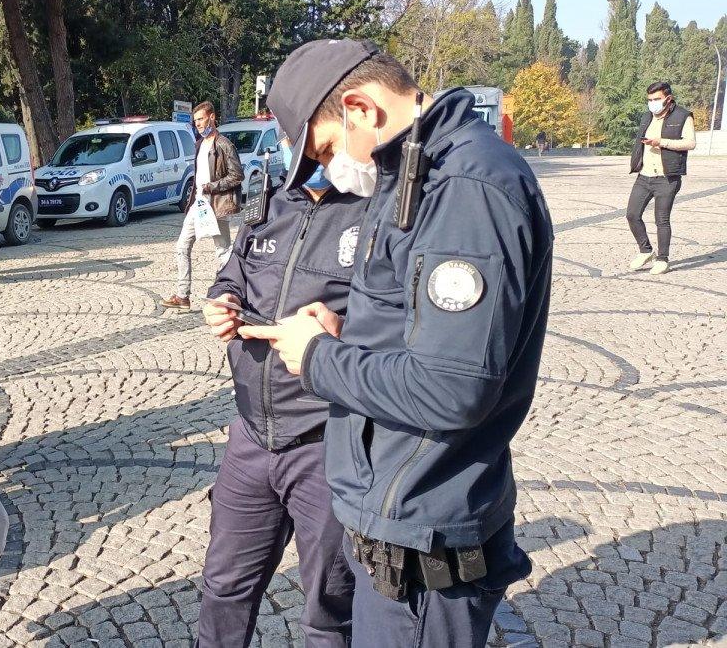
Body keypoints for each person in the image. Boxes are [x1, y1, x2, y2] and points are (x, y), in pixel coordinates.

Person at [240, 40, 553, 647]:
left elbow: (451, 388)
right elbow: (416, 331)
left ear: (361, 108)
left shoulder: (464, 186)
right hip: (395, 514)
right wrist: (346, 336)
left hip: (423, 533)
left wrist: (318, 358)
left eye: (327, 149)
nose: (330, 170)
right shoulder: (414, 169)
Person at [198, 155, 363, 645]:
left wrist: (342, 333)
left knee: (328, 606)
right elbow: (234, 273)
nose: (305, 149)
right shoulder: (267, 204)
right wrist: (221, 300)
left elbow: (402, 326)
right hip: (250, 436)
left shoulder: (376, 214)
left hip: (326, 441)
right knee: (223, 589)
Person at [160, 101, 242, 311]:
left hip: (216, 204)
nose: (198, 124)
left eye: (201, 119)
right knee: (182, 246)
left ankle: (231, 293)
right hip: (199, 204)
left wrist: (212, 186)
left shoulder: (224, 144)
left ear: (212, 117)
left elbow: (237, 175)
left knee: (223, 250)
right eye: (195, 120)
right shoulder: (200, 143)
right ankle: (182, 295)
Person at [626, 81, 695, 275]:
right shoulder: (647, 117)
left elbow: (690, 143)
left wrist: (662, 143)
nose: (652, 103)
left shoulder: (683, 116)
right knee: (632, 214)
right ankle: (645, 250)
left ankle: (663, 259)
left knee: (661, 219)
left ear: (668, 98)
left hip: (667, 177)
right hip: (644, 175)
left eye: (656, 99)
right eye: (649, 100)